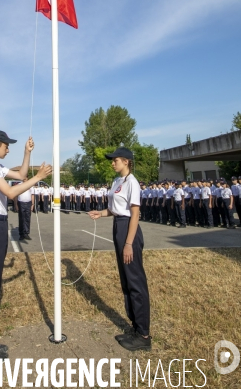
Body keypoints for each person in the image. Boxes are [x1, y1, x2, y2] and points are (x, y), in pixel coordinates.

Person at [0, 130, 52, 365]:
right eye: (6, 146)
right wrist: (38, 178)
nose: (8, 149)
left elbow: (21, 174)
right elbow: (11, 191)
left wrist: (27, 153)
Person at [88, 147, 151, 351]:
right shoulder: (117, 182)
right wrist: (101, 213)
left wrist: (128, 243)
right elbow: (116, 210)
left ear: (126, 161)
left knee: (135, 281)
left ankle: (143, 335)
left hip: (128, 231)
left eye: (115, 160)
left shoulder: (132, 183)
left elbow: (134, 214)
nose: (112, 163)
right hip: (118, 226)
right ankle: (135, 327)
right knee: (126, 281)